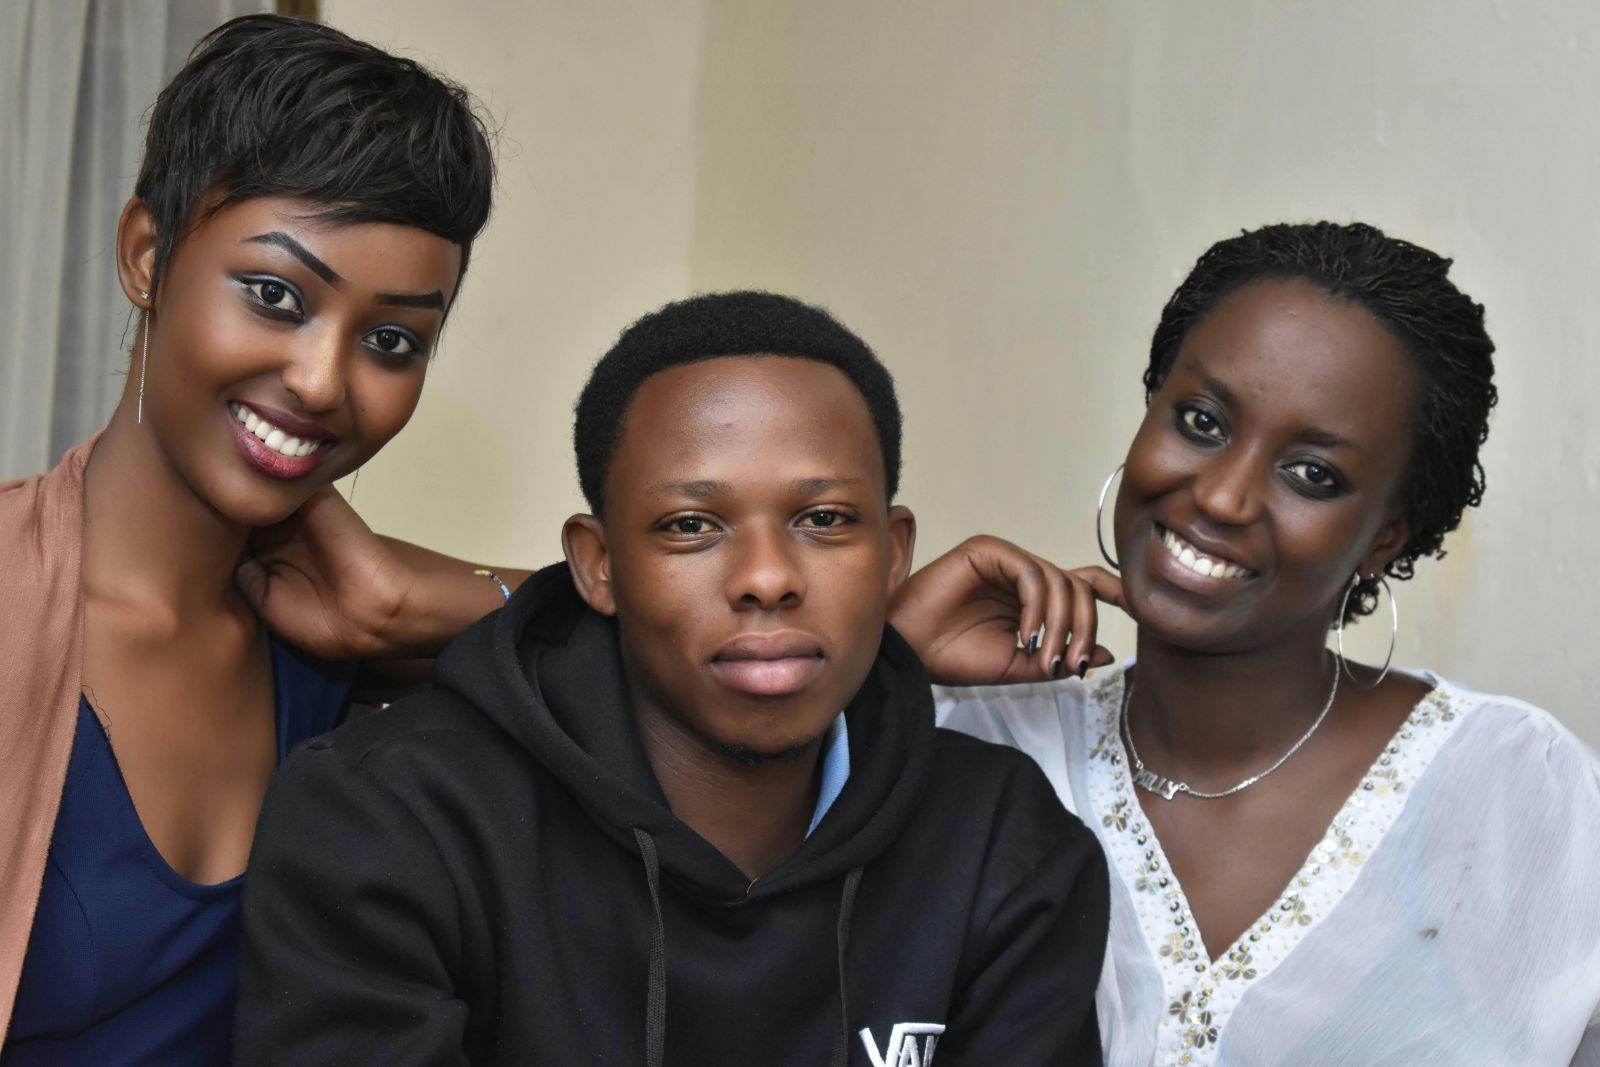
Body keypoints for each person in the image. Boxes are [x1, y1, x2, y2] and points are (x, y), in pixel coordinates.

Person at [233, 291, 1110, 1065]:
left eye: (826, 518)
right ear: (598, 565)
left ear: (894, 555)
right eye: (692, 524)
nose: (767, 576)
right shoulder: (389, 819)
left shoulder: (1006, 843)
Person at [891, 222, 1600, 1064]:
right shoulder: (971, 744)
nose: (1224, 497)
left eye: (1312, 474)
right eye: (1200, 420)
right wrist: (883, 667)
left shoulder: (1519, 796)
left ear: (1384, 539)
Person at [0, 16, 505, 1063]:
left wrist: (420, 599)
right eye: (275, 296)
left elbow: (677, 647)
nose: (324, 380)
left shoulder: (333, 647)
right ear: (148, 254)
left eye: (391, 340)